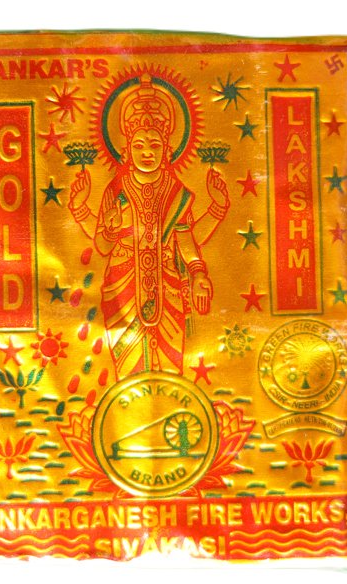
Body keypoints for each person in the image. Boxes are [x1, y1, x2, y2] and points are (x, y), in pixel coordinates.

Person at [68, 73, 230, 379]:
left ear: (167, 149)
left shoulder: (175, 191)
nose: (147, 151)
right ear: (127, 149)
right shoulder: (116, 189)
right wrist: (93, 217)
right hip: (122, 288)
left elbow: (186, 240)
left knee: (170, 367)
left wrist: (198, 272)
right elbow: (102, 246)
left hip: (168, 290)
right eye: (139, 144)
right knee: (128, 369)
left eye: (155, 144)